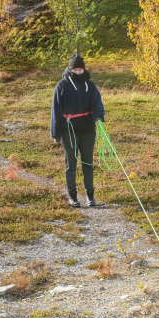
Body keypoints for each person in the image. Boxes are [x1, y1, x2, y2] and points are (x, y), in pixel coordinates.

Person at [50, 53, 105, 207]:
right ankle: (73, 196)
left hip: (88, 129)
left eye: (81, 70)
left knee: (88, 162)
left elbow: (97, 103)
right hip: (69, 130)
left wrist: (99, 117)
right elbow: (55, 110)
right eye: (75, 70)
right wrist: (56, 133)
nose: (78, 73)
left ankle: (90, 196)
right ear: (70, 69)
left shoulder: (91, 86)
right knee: (71, 164)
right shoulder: (61, 86)